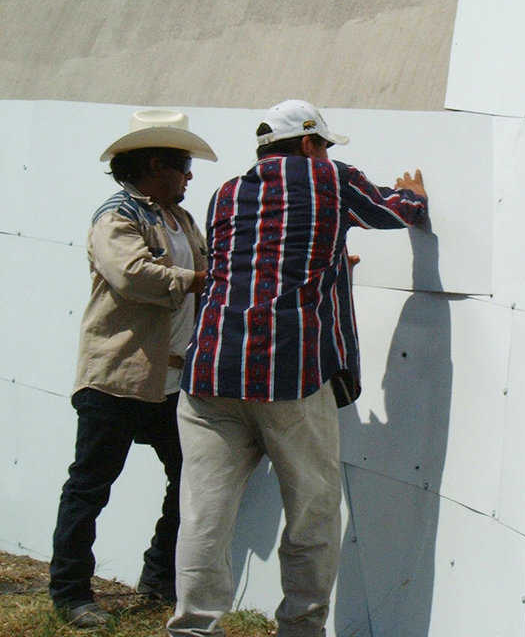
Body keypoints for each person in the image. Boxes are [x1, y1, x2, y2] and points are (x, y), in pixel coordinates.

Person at [168, 99, 428, 637]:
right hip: (287, 372)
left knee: (204, 516)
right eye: (325, 144)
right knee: (312, 514)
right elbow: (391, 211)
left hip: (211, 371)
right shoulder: (330, 178)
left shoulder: (226, 194)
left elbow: (250, 267)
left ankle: (192, 629)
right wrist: (414, 196)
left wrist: (330, 263)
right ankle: (302, 629)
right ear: (311, 143)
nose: (327, 153)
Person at [49, 110, 216, 628]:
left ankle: (158, 578)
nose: (190, 176)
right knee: (90, 487)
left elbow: (211, 269)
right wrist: (196, 280)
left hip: (171, 381)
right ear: (154, 164)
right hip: (119, 379)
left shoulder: (179, 219)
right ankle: (71, 592)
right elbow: (131, 275)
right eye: (183, 165)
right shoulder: (117, 216)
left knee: (190, 477)